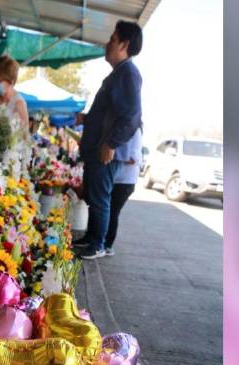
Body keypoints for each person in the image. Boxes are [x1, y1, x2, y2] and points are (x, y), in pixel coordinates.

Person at [74, 21, 143, 259]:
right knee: (95, 197)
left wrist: (111, 143)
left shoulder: (128, 74)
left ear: (124, 44)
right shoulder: (120, 73)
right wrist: (87, 118)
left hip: (105, 150)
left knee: (101, 199)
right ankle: (91, 238)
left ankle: (98, 245)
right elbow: (108, 114)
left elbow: (132, 116)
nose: (107, 44)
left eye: (113, 39)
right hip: (97, 148)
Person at [103, 127, 142, 256]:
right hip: (116, 179)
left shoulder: (134, 130)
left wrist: (112, 153)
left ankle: (108, 245)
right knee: (107, 210)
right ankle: (101, 241)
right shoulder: (123, 129)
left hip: (125, 182)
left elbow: (134, 159)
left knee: (112, 212)